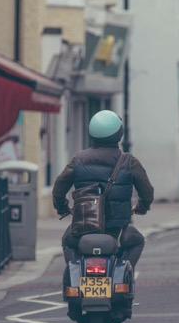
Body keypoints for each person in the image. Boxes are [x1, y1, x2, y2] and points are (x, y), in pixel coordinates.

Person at [52, 110, 154, 269]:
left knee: (68, 241)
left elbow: (59, 187)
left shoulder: (78, 159)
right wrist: (142, 207)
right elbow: (147, 192)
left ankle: (75, 273)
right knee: (137, 241)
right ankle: (123, 272)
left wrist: (62, 208)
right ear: (119, 134)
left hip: (84, 227)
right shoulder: (129, 162)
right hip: (117, 229)